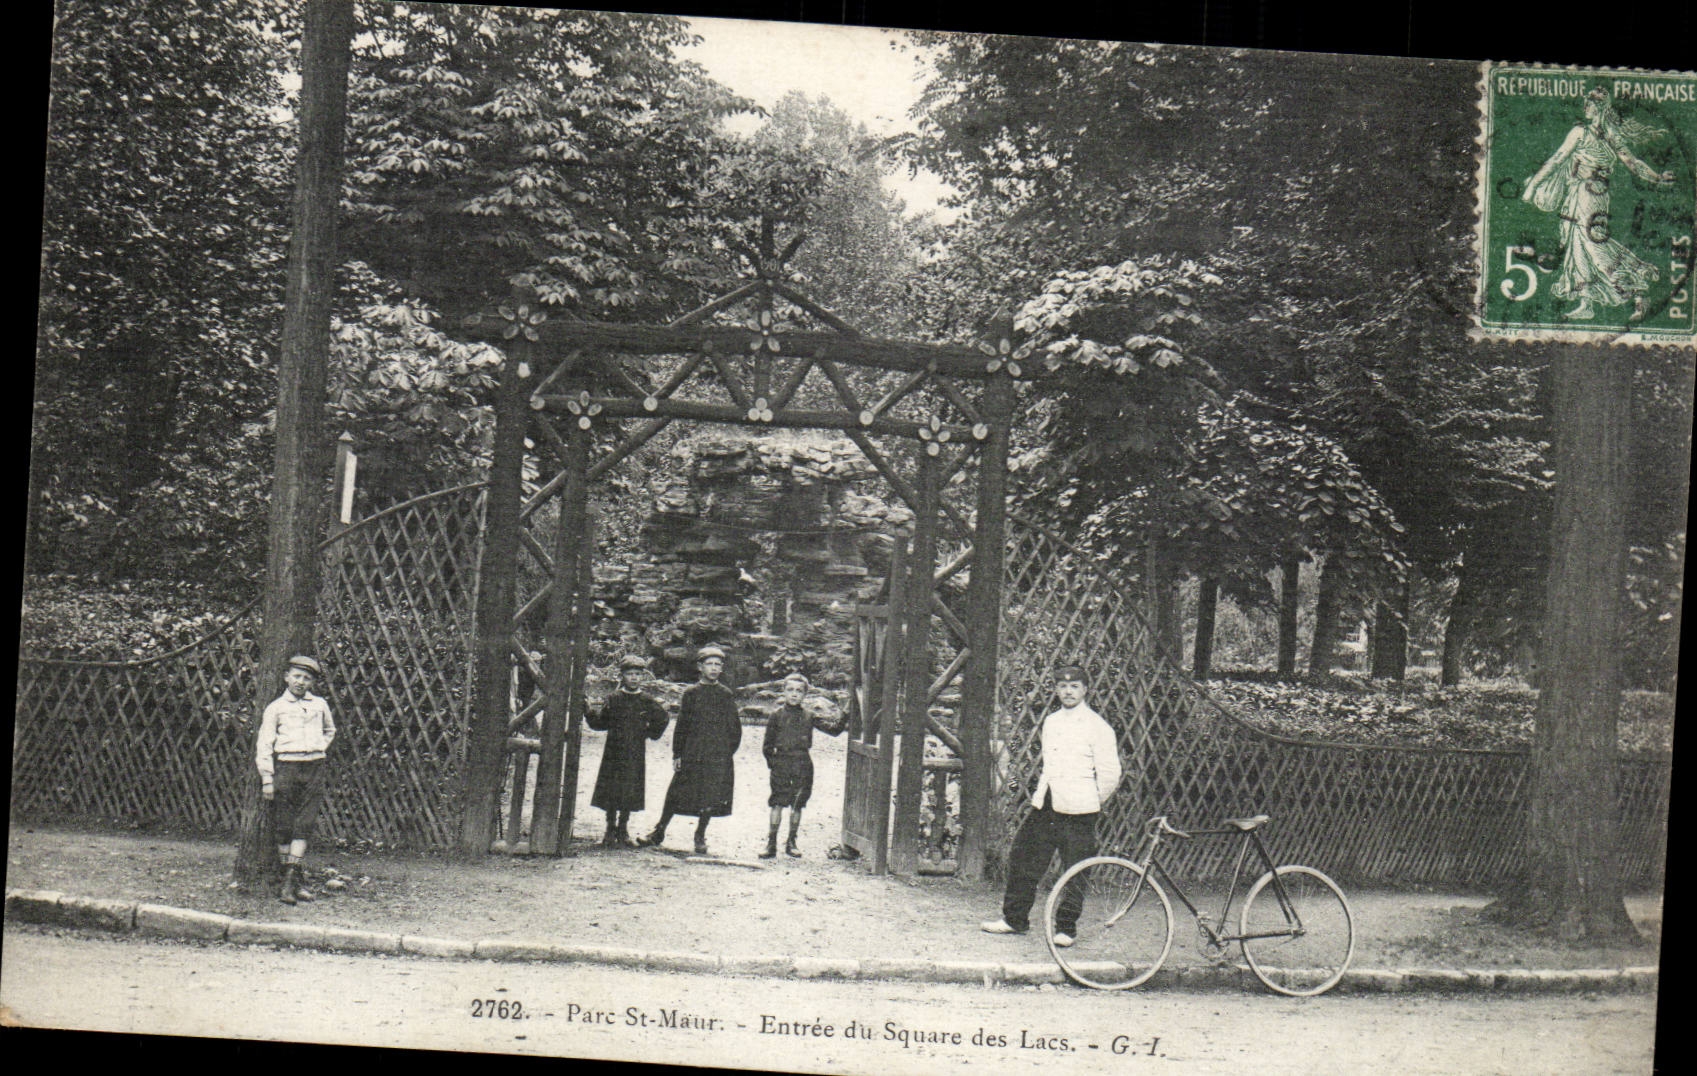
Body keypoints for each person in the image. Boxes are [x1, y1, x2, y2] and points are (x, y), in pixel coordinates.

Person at [981, 662, 1121, 946]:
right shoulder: (1052, 721)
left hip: (1080, 808)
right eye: (1062, 686)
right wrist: (1043, 797)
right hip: (1047, 802)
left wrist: (1090, 799)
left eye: (1074, 686)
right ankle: (1014, 919)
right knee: (1024, 858)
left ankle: (1066, 928)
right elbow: (1050, 764)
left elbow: (1110, 774)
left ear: (1085, 690)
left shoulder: (1098, 727)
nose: (1068, 692)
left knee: (1076, 868)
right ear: (1056, 690)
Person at [1523, 87, 1675, 322]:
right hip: (1584, 192)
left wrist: (1533, 186)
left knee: (1592, 243)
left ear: (1600, 107)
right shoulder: (1600, 133)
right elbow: (1630, 163)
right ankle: (1587, 302)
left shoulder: (1587, 133)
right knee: (1577, 244)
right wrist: (1657, 177)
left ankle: (1636, 292)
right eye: (1586, 102)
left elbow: (1632, 163)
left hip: (1588, 193)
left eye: (1590, 103)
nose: (1585, 107)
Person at [639, 646, 741, 856]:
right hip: (693, 753)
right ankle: (659, 831)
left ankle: (700, 835)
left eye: (717, 665)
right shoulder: (691, 694)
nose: (713, 669)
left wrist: (725, 752)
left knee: (710, 796)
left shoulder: (725, 695)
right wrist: (678, 754)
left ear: (722, 668)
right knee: (676, 792)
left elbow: (735, 729)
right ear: (700, 667)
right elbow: (682, 726)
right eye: (709, 664)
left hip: (716, 756)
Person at [256, 655, 337, 906]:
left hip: (314, 766)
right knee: (284, 823)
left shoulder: (319, 704)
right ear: (287, 677)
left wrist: (317, 747)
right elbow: (264, 743)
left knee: (305, 821)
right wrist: (267, 778)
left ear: (312, 682)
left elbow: (330, 730)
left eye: (307, 678)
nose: (301, 682)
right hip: (286, 767)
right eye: (297, 676)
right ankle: (291, 880)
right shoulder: (276, 708)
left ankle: (289, 882)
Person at [586, 654, 669, 847]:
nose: (634, 678)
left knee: (629, 788)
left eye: (638, 674)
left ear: (642, 677)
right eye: (630, 674)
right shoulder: (614, 698)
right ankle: (609, 828)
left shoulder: (646, 700)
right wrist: (588, 711)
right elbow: (601, 722)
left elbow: (662, 718)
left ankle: (623, 828)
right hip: (614, 751)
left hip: (634, 752)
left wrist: (648, 732)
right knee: (611, 788)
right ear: (622, 676)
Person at [758, 673, 845, 859]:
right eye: (790, 690)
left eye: (799, 691)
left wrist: (846, 714)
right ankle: (771, 843)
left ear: (805, 694)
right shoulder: (776, 716)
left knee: (797, 804)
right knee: (778, 803)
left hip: (803, 764)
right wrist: (774, 765)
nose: (794, 694)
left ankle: (791, 842)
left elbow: (834, 730)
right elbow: (767, 747)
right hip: (781, 763)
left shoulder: (809, 716)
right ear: (784, 692)